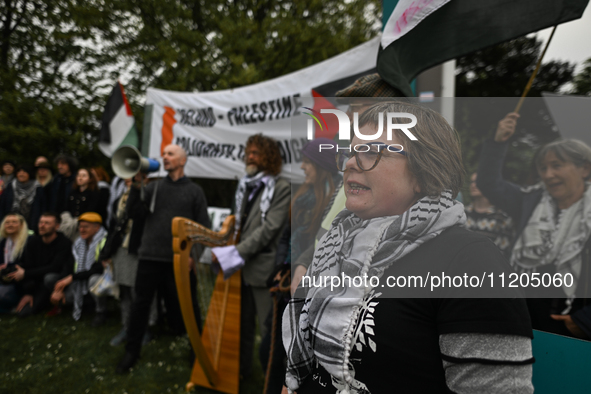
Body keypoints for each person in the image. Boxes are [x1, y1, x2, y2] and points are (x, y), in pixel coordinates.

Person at [283, 102, 534, 393]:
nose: (351, 162)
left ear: (423, 174)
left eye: (372, 152)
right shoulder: (336, 242)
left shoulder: (470, 261)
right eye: (351, 152)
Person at [477, 112, 591, 339]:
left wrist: (583, 322)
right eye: (543, 167)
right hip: (522, 318)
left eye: (557, 165)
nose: (548, 174)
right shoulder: (529, 200)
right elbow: (489, 183)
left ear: (584, 169)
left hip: (571, 327)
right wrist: (498, 142)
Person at [116, 144, 210, 374]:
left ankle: (195, 351)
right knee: (140, 305)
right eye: (164, 154)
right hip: (149, 257)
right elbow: (134, 213)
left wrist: (193, 256)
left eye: (170, 154)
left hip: (179, 259)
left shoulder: (195, 191)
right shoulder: (153, 187)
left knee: (190, 307)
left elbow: (203, 228)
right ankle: (132, 351)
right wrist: (138, 184)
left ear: (182, 161)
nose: (164, 158)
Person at [262, 138, 339, 394]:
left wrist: (302, 267)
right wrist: (281, 266)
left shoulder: (333, 201)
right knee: (268, 349)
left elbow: (321, 243)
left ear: (321, 164)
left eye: (307, 162)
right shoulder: (302, 194)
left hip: (307, 286)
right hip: (287, 278)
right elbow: (286, 235)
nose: (303, 167)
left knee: (290, 351)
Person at [212, 133, 290, 377]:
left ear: (269, 157)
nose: (250, 156)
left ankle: (272, 380)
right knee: (241, 327)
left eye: (256, 152)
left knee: (268, 332)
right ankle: (241, 374)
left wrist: (233, 252)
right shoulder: (245, 185)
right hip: (241, 267)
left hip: (262, 270)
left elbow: (269, 230)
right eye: (249, 152)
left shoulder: (281, 187)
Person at [48, 212, 108, 324]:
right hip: (79, 281)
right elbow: (69, 265)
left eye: (86, 227)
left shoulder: (105, 241)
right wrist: (60, 286)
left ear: (97, 228)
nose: (82, 230)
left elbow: (97, 269)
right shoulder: (78, 243)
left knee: (94, 280)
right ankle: (66, 305)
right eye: (80, 226)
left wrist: (71, 278)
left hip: (101, 279)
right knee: (52, 280)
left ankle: (101, 312)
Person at [9, 212, 73, 317]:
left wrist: (26, 273)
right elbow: (28, 265)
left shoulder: (64, 243)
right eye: (41, 222)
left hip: (55, 281)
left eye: (47, 223)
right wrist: (28, 292)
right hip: (34, 281)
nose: (42, 226)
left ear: (57, 226)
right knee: (22, 312)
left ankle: (55, 303)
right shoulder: (33, 241)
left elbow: (55, 267)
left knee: (49, 278)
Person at [464, 172, 515, 257]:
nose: (473, 185)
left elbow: (504, 252)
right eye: (471, 182)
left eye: (477, 181)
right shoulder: (463, 213)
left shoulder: (501, 217)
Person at [0, 165, 45, 233]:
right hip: (11, 222)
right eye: (19, 172)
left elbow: (42, 207)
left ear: (29, 173)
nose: (21, 174)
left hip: (31, 224)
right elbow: (2, 205)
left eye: (24, 172)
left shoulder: (38, 188)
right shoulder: (11, 186)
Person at [0, 213, 29, 313]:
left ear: (21, 225)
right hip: (3, 279)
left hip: (20, 282)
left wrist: (8, 266)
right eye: (7, 222)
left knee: (2, 295)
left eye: (14, 222)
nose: (10, 225)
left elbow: (27, 263)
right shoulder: (3, 242)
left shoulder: (28, 241)